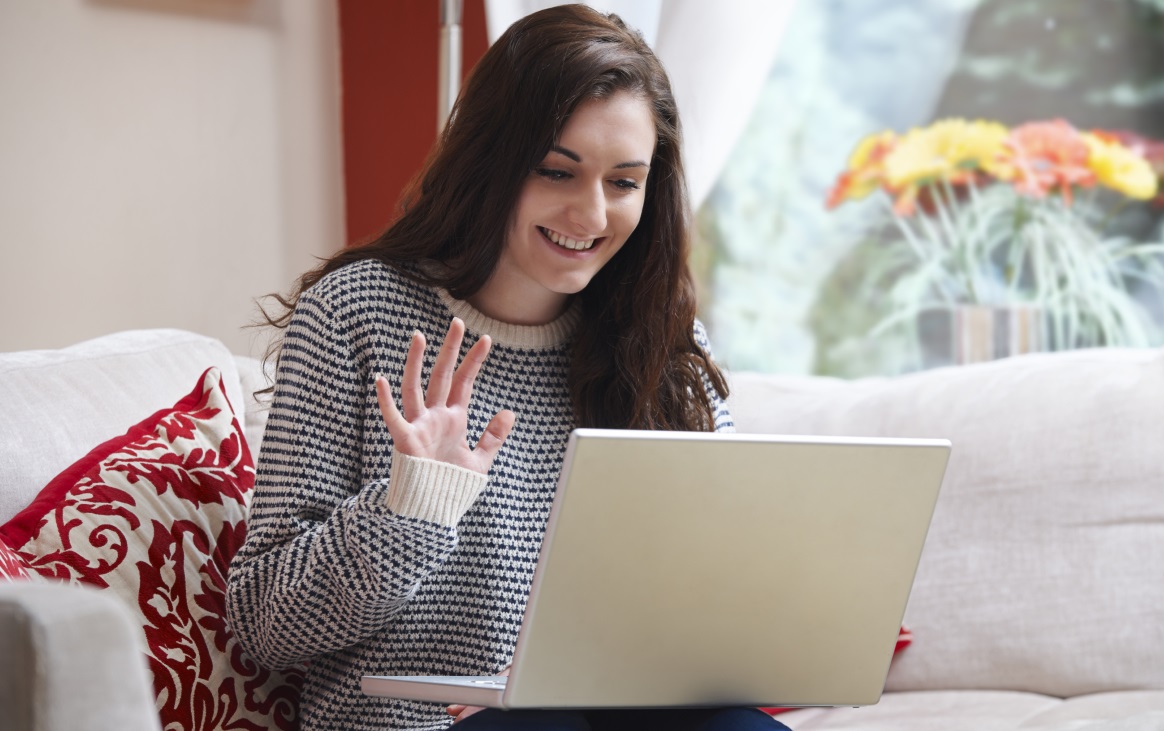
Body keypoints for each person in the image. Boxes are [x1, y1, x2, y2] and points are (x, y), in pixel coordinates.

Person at [226, 5, 788, 730]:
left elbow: (713, 587)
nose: (590, 214)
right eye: (559, 170)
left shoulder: (664, 343)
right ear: (492, 157)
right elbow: (266, 625)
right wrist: (413, 504)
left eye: (624, 182)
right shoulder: (357, 313)